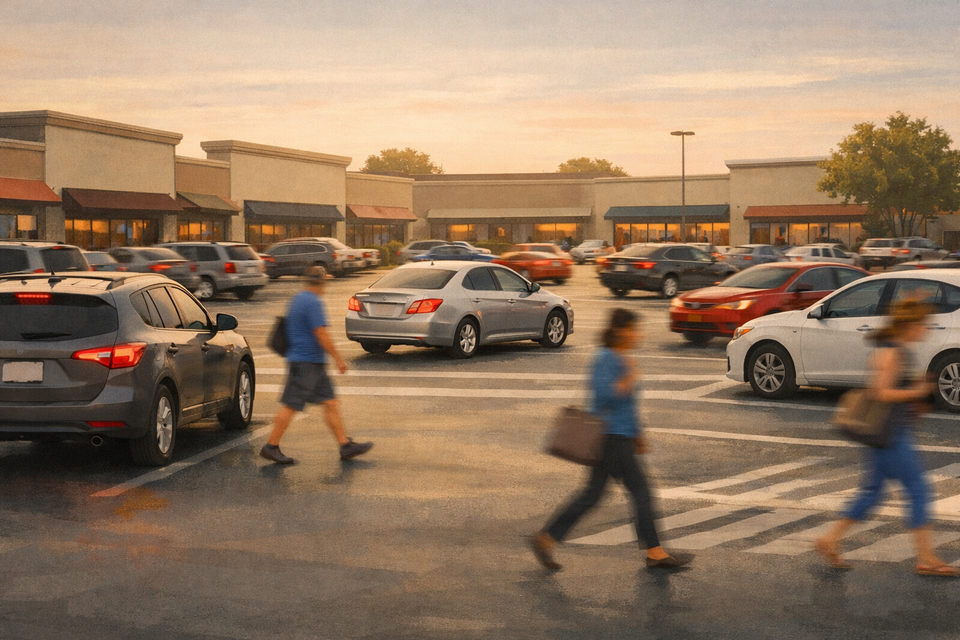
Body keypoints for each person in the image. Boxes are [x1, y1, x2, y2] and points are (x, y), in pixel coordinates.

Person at [532, 308, 687, 570]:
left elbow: (628, 406)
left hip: (620, 435)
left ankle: (547, 539)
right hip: (611, 438)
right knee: (640, 491)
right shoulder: (605, 358)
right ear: (620, 330)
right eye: (634, 329)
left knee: (592, 495)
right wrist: (629, 378)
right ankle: (654, 551)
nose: (638, 334)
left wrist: (638, 434)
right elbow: (603, 396)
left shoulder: (620, 357)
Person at [815, 300, 958, 576]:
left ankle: (829, 540)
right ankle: (927, 557)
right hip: (890, 435)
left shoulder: (892, 348)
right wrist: (916, 392)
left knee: (872, 493)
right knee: (919, 490)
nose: (926, 329)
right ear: (909, 326)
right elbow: (882, 392)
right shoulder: (893, 352)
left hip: (884, 433)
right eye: (923, 324)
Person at [260, 266, 373, 465]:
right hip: (306, 363)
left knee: (330, 402)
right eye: (325, 281)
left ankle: (345, 446)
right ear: (321, 281)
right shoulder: (313, 302)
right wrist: (338, 358)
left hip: (311, 362)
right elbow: (321, 333)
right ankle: (271, 446)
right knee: (291, 405)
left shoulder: (298, 298)